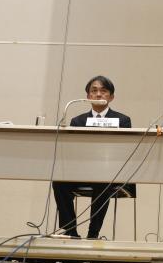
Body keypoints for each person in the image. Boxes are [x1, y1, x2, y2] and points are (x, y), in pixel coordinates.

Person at [52, 75, 132, 239]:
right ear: (88, 96)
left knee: (103, 182)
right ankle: (71, 231)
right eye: (94, 91)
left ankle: (93, 234)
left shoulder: (122, 120)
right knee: (59, 182)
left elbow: (125, 151)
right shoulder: (77, 120)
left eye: (103, 91)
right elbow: (72, 151)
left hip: (109, 174)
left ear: (111, 96)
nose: (98, 94)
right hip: (82, 172)